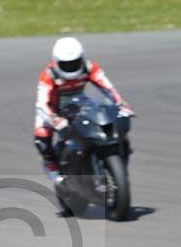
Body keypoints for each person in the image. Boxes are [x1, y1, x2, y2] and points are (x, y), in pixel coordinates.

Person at [34, 36, 135, 183]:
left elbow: (107, 87)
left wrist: (121, 103)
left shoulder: (89, 67)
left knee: (112, 126)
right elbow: (42, 103)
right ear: (56, 62)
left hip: (80, 103)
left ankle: (118, 167)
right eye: (66, 64)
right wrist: (54, 119)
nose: (72, 67)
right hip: (53, 109)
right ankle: (53, 167)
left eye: (75, 63)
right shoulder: (48, 75)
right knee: (41, 136)